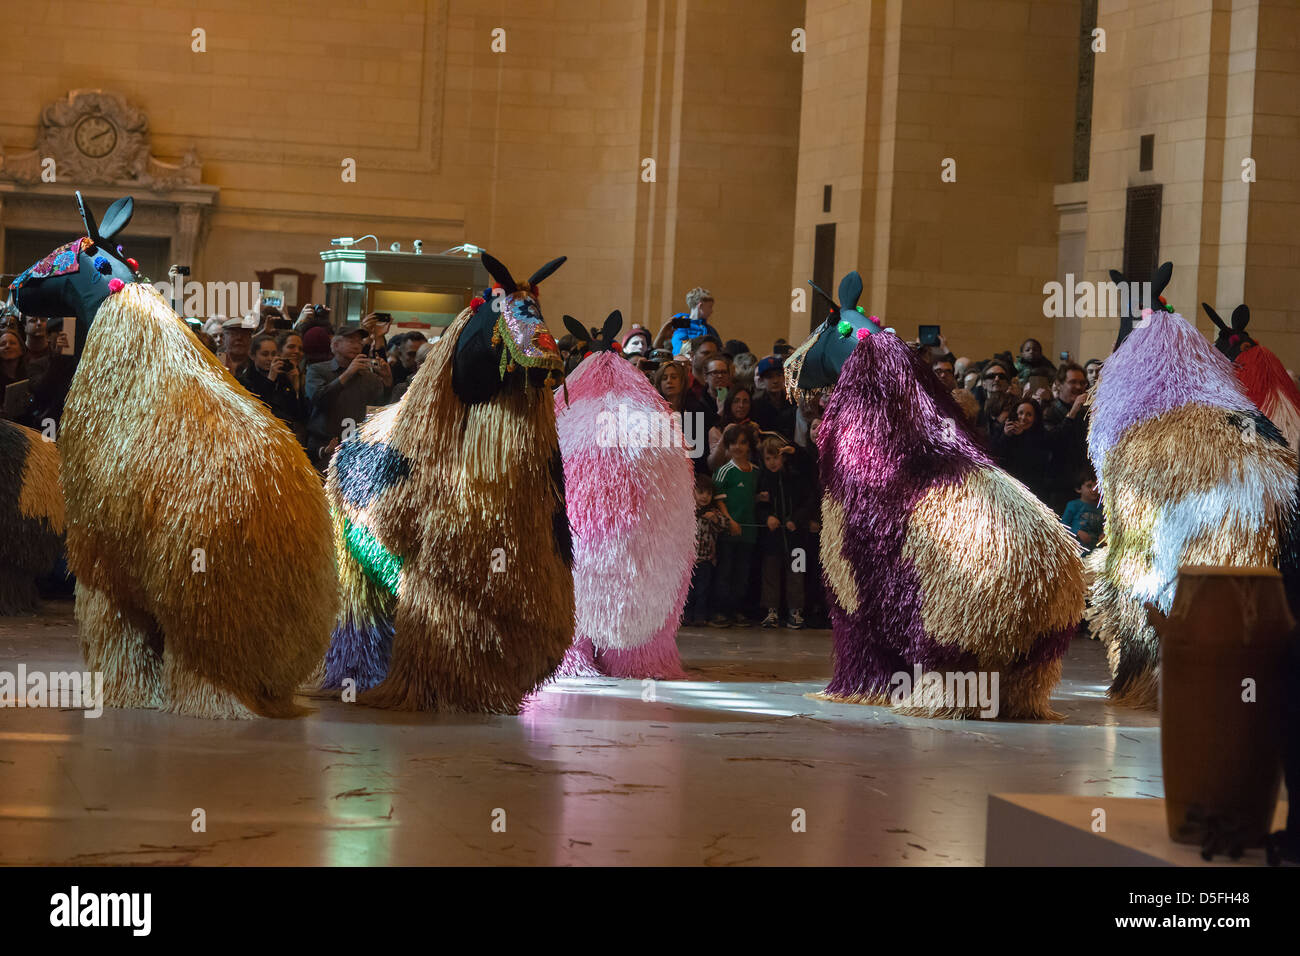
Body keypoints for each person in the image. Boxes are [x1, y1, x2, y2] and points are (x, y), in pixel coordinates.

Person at [305, 322, 393, 470]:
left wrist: (388, 382)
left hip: (357, 447)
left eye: (359, 341)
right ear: (336, 345)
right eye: (351, 341)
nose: (357, 345)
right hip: (324, 445)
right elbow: (318, 399)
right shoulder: (318, 370)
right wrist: (348, 373)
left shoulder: (368, 377)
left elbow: (380, 410)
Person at [755, 437, 817, 629]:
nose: (772, 462)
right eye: (768, 458)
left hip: (796, 538)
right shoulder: (763, 479)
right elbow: (758, 505)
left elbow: (807, 502)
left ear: (783, 458)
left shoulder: (796, 476)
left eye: (776, 457)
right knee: (770, 574)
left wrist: (796, 520)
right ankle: (771, 610)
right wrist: (767, 518)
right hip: (772, 539)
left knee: (796, 574)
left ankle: (795, 610)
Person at [710, 424, 758, 628]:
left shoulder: (757, 471)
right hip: (729, 532)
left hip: (749, 532)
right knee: (726, 571)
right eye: (734, 443)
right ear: (728, 446)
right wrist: (730, 521)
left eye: (743, 442)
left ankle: (738, 610)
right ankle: (721, 611)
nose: (738, 447)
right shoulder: (724, 471)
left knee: (743, 573)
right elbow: (717, 499)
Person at [239, 333, 310, 443]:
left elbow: (298, 414)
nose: (270, 359)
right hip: (260, 437)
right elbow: (258, 407)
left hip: (285, 437)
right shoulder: (245, 380)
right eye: (265, 354)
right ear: (253, 356)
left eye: (273, 354)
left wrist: (295, 386)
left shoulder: (282, 378)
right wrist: (271, 378)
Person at [988, 398, 1056, 503]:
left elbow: (1035, 462)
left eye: (1029, 415)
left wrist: (1022, 436)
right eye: (1020, 413)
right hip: (1006, 489)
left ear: (1035, 418)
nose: (1023, 418)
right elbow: (994, 456)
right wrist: (1005, 436)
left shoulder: (1042, 435)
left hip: (1032, 491)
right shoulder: (1003, 430)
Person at [653, 361, 711, 472]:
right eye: (664, 378)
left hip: (691, 471)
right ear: (659, 383)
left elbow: (698, 451)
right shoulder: (653, 412)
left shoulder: (695, 410)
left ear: (682, 382)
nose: (669, 381)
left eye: (674, 377)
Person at [685, 473, 727, 626]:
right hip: (687, 561)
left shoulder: (712, 513)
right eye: (701, 492)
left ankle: (700, 617)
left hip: (705, 560)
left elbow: (724, 524)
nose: (705, 496)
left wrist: (715, 519)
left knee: (703, 590)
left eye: (709, 493)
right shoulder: (687, 512)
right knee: (687, 591)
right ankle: (686, 616)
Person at [655, 287, 719, 356]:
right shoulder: (679, 322)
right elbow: (678, 345)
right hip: (680, 360)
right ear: (700, 306)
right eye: (710, 307)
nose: (712, 311)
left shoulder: (710, 329)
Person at [707, 386, 758, 471]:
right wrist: (724, 437)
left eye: (745, 402)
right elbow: (713, 465)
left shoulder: (753, 428)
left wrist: (757, 441)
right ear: (729, 404)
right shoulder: (716, 430)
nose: (741, 405)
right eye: (736, 401)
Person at [751, 355, 796, 439]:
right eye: (769, 377)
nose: (775, 381)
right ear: (762, 380)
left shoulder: (792, 401)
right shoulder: (756, 404)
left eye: (778, 375)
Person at [1061, 468, 1104, 554]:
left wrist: (1103, 535)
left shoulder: (1101, 508)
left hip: (1094, 553)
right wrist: (1077, 532)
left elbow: (1102, 528)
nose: (1094, 489)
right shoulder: (1073, 505)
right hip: (1075, 551)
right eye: (1089, 486)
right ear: (1078, 489)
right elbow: (1063, 525)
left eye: (1097, 485)